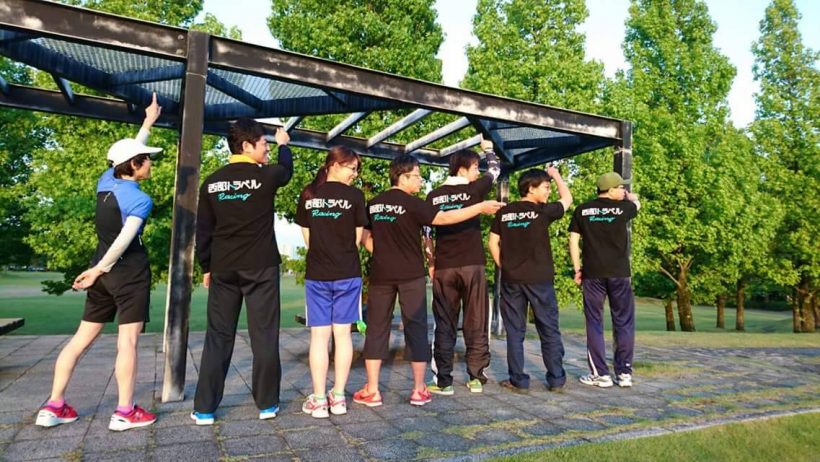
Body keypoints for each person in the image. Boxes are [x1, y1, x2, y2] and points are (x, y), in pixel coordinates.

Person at [35, 94, 163, 431]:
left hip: (102, 275)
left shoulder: (106, 182)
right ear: (134, 165)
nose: (151, 164)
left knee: (80, 339)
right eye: (147, 160)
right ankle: (124, 411)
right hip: (126, 274)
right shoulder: (140, 199)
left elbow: (126, 153)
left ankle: (53, 405)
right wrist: (97, 270)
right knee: (128, 342)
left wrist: (148, 122)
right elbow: (123, 242)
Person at [354, 155, 504, 407]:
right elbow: (444, 219)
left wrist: (383, 254)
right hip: (412, 274)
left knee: (376, 329)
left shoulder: (375, 203)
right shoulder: (414, 204)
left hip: (382, 274)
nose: (421, 181)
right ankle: (418, 389)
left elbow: (365, 236)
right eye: (417, 176)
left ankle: (373, 390)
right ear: (403, 177)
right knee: (417, 328)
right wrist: (479, 207)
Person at [191, 118, 292, 425]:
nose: (267, 149)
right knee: (264, 335)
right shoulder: (267, 176)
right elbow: (286, 171)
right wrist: (284, 145)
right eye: (264, 144)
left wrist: (206, 266)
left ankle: (205, 409)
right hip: (260, 266)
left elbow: (203, 230)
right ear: (247, 146)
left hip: (223, 267)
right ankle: (267, 404)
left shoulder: (212, 182)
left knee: (218, 337)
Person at [424, 140, 500, 395]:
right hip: (473, 266)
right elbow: (495, 169)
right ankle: (476, 377)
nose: (478, 172)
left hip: (444, 268)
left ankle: (443, 382)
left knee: (444, 323)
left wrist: (431, 262)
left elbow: (426, 233)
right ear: (463, 169)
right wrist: (488, 149)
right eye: (476, 167)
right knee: (476, 321)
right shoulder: (474, 190)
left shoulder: (433, 196)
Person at [295, 146, 367, 418]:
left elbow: (308, 240)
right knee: (343, 335)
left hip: (318, 274)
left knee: (319, 337)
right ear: (335, 165)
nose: (355, 174)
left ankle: (319, 400)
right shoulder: (355, 197)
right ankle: (338, 398)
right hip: (347, 272)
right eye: (352, 168)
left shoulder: (309, 194)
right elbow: (356, 240)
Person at [488, 166, 572, 393]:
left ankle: (518, 381)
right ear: (531, 188)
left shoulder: (504, 212)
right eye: (545, 187)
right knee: (549, 329)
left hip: (512, 280)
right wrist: (556, 175)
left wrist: (505, 266)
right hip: (540, 280)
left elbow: (492, 243)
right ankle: (556, 379)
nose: (548, 192)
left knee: (515, 332)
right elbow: (567, 199)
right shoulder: (543, 211)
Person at [569, 172, 640, 388]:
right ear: (610, 190)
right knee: (624, 322)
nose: (623, 191)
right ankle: (624, 373)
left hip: (593, 273)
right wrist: (631, 197)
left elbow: (573, 240)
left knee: (594, 322)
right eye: (620, 187)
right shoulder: (624, 208)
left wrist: (577, 268)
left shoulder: (582, 210)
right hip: (619, 273)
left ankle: (601, 374)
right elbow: (637, 204)